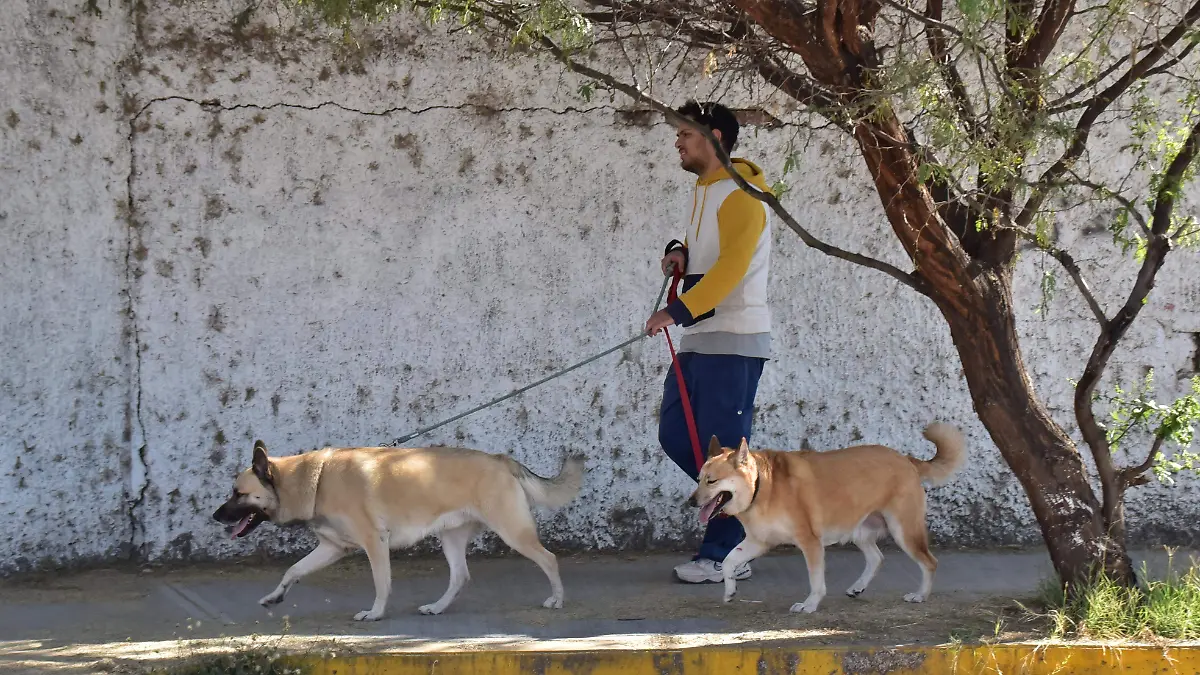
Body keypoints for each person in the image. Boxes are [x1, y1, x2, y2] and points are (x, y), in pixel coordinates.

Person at [644, 100, 773, 584]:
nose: (677, 141)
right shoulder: (708, 190)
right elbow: (706, 252)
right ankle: (744, 522)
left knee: (721, 456)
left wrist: (673, 311)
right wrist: (678, 251)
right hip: (701, 337)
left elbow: (731, 269)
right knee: (677, 436)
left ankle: (726, 553)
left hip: (734, 339)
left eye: (685, 134)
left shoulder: (743, 194)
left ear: (714, 136)